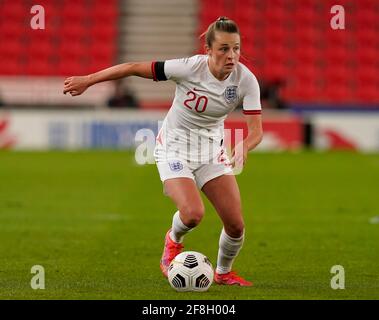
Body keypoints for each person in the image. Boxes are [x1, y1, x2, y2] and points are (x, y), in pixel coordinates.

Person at [63, 16, 263, 286]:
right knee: (193, 214)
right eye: (224, 49)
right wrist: (88, 80)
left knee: (236, 225)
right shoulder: (188, 68)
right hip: (174, 148)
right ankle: (173, 241)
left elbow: (256, 131)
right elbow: (133, 67)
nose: (232, 56)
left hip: (210, 153)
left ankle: (223, 272)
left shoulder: (246, 81)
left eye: (236, 48)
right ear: (208, 51)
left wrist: (244, 145)